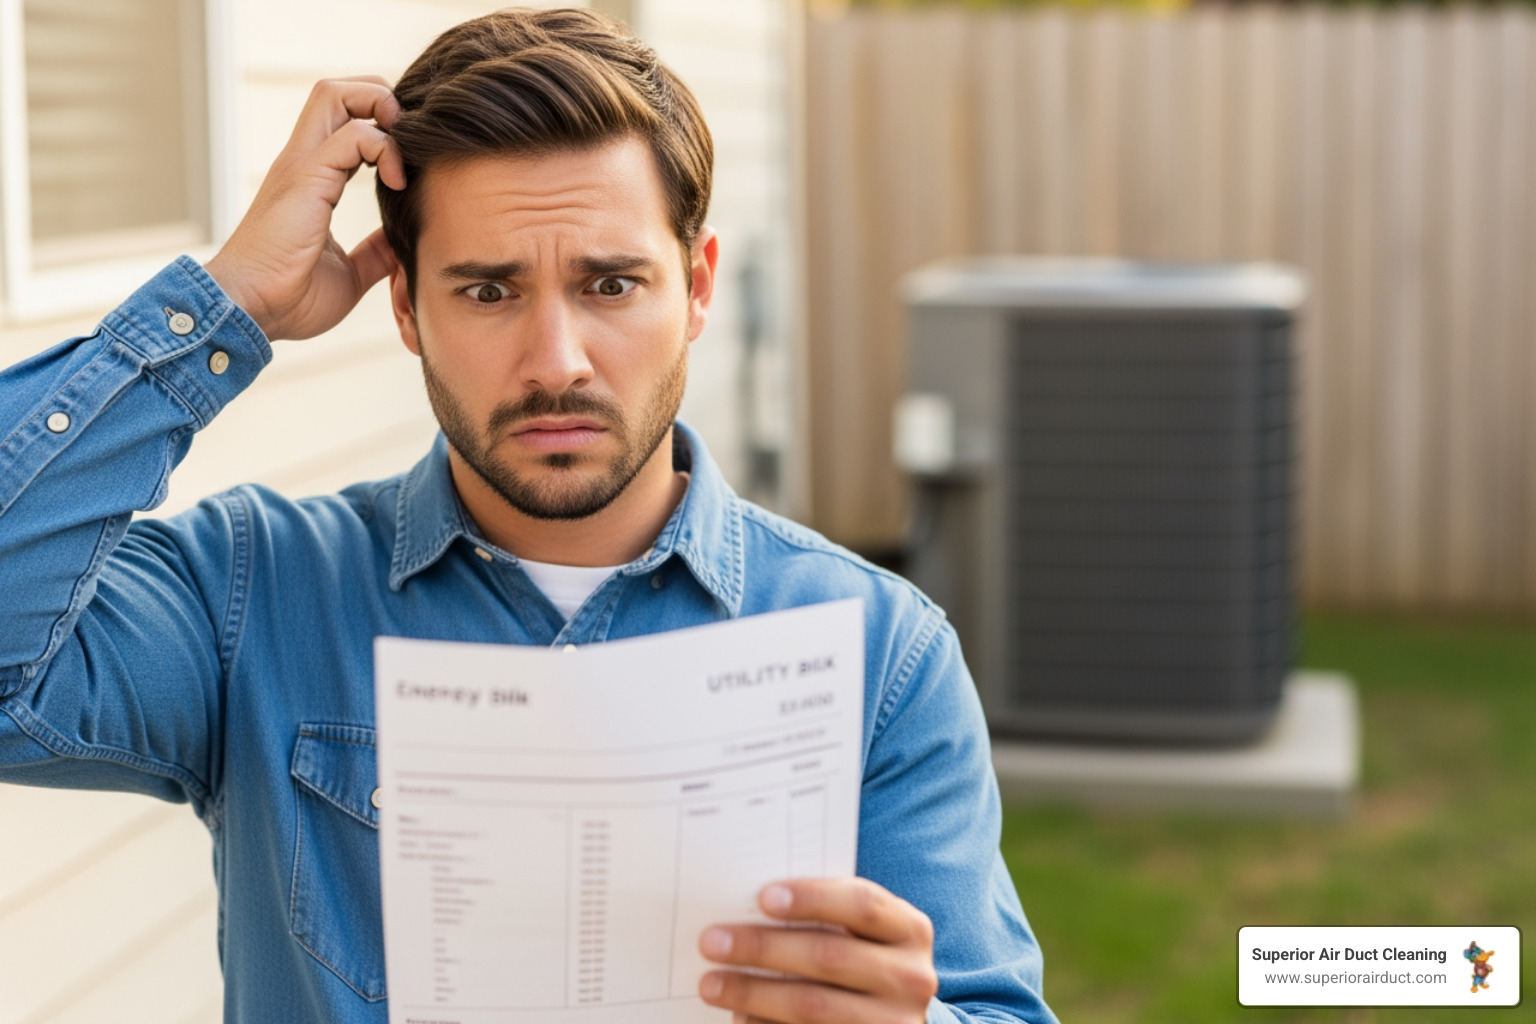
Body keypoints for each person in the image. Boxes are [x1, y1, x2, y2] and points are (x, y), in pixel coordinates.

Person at [0, 8, 1055, 1024]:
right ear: (407, 307)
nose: (557, 362)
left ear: (695, 288)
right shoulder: (251, 592)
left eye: (609, 283)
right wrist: (224, 306)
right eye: (490, 292)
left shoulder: (880, 649)